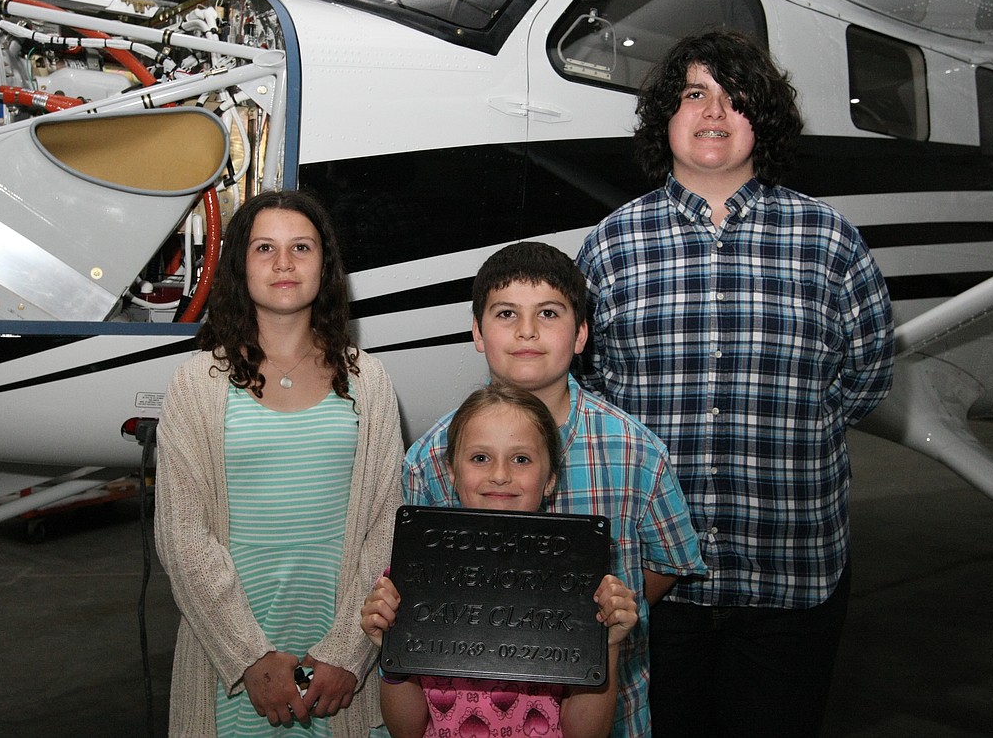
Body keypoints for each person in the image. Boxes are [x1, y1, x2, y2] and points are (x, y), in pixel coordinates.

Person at [574, 30, 896, 736]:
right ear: (667, 116)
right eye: (695, 94)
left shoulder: (831, 241)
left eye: (735, 97)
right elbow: (590, 388)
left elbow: (867, 377)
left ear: (763, 120)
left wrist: (794, 432)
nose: (714, 112)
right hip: (651, 583)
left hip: (791, 575)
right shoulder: (609, 247)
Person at [402, 241, 706, 737]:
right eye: (505, 314)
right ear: (478, 332)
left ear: (581, 332)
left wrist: (585, 617)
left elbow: (666, 561)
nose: (527, 331)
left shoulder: (635, 450)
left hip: (610, 714)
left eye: (548, 313)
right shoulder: (431, 459)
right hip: (468, 717)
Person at [155, 190, 405, 737]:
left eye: (301, 248)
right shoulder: (197, 385)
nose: (285, 263)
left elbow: (388, 524)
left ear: (326, 266)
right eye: (265, 248)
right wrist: (249, 658)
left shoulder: (370, 381)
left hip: (339, 676)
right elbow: (181, 535)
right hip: (230, 670)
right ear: (240, 265)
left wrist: (348, 652)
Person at [363, 383, 639, 738]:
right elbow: (406, 730)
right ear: (451, 471)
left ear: (550, 478)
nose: (499, 475)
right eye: (480, 458)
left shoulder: (584, 583)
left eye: (521, 459)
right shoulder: (410, 575)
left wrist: (609, 645)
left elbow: (586, 733)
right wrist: (392, 655)